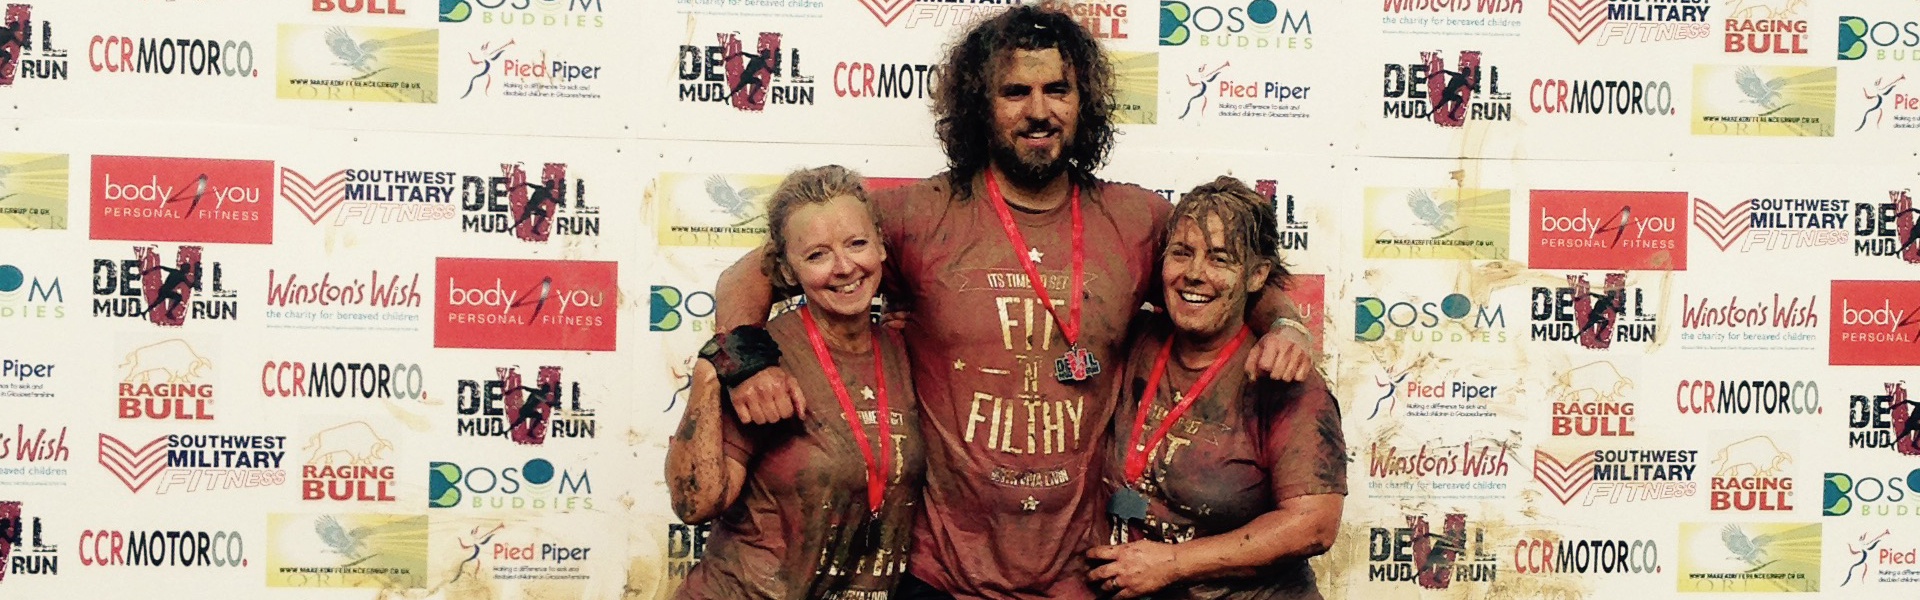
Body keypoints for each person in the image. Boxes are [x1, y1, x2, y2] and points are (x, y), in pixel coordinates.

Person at [711, 7, 1317, 600]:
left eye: (1058, 90)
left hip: (1081, 576)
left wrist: (1287, 325)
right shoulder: (921, 214)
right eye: (1015, 92)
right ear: (981, 104)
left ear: (1084, 101)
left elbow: (1228, 277)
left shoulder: (1136, 219)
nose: (1039, 111)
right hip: (941, 576)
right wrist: (746, 360)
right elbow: (750, 274)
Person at [669, 166, 926, 599]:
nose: (844, 267)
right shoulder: (763, 361)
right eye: (817, 255)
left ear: (882, 246)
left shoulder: (905, 350)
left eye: (857, 244)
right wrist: (711, 374)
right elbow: (695, 503)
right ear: (788, 271)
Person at [1090, 177, 1344, 599]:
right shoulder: (1134, 340)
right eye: (1181, 253)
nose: (1194, 274)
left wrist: (1172, 564)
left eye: (1219, 259)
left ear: (1257, 275)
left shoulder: (1281, 376)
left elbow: (1313, 525)